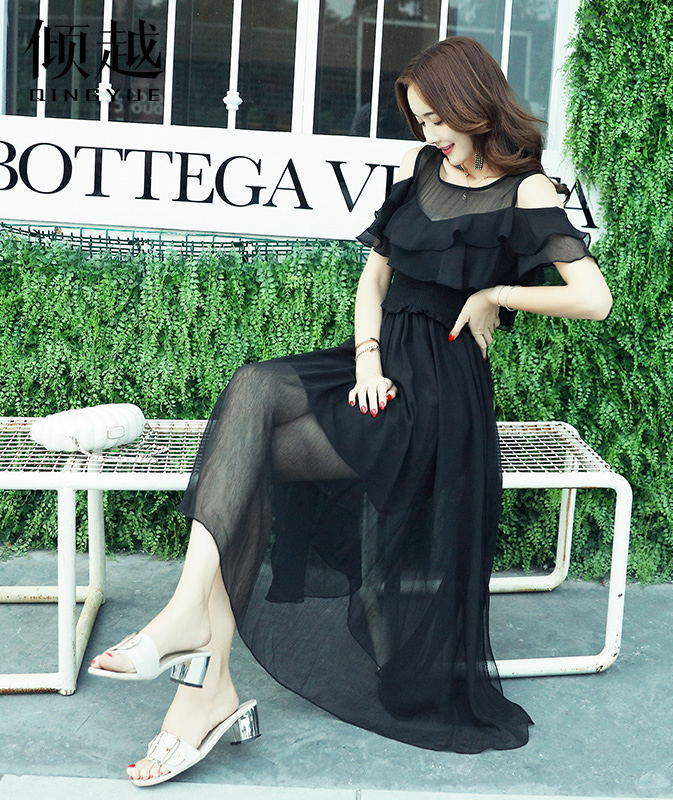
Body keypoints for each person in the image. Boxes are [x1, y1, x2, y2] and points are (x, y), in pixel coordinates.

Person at [87, 35, 612, 784]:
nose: (428, 132)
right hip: (376, 365)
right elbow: (374, 281)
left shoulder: (525, 191)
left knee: (249, 453)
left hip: (438, 395)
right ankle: (196, 657)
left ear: (473, 104)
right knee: (254, 389)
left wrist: (494, 292)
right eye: (420, 120)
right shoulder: (421, 169)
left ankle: (197, 666)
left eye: (437, 118)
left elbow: (594, 298)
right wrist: (367, 359)